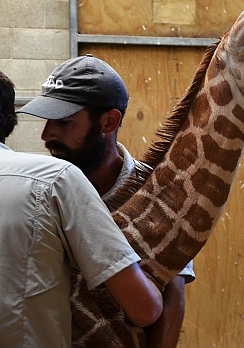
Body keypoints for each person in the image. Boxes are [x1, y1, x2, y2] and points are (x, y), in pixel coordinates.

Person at [17, 55, 195, 348]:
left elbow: (173, 293)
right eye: (47, 120)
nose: (46, 134)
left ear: (108, 121)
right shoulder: (42, 186)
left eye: (63, 122)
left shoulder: (157, 192)